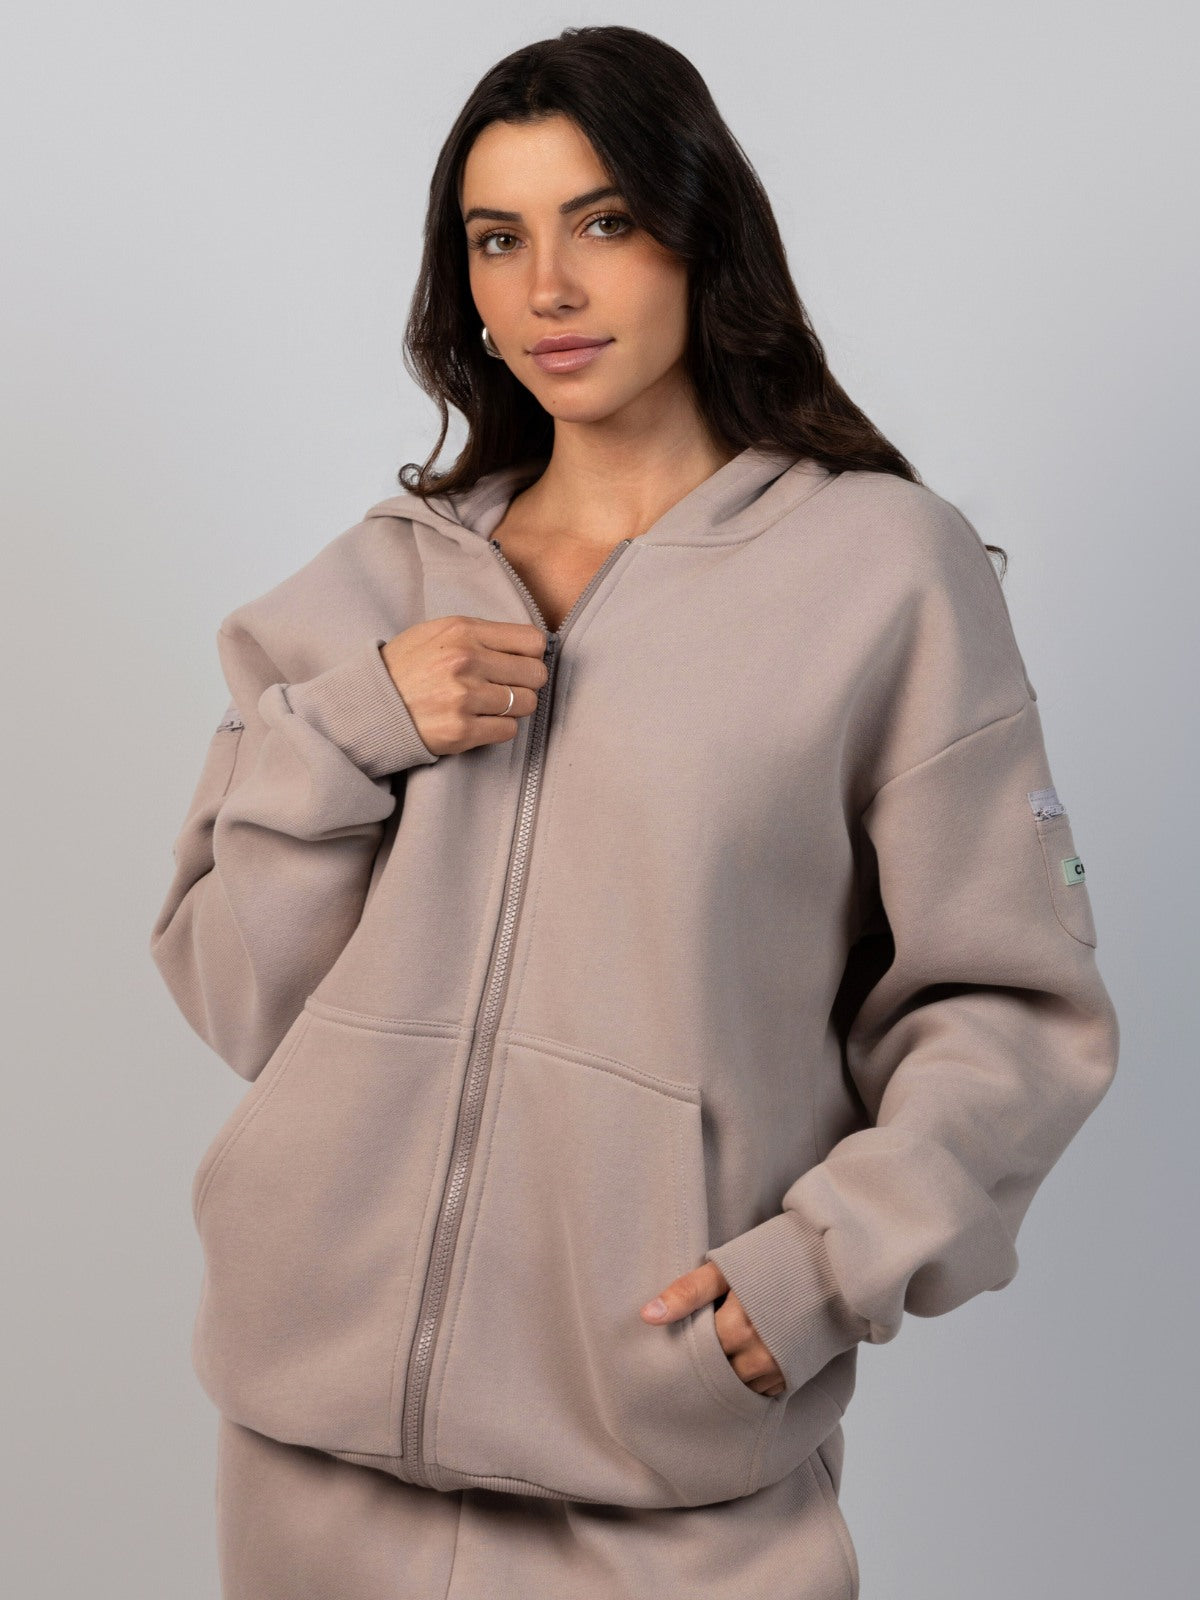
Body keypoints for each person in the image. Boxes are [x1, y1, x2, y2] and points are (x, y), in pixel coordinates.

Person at [148, 24, 1120, 1600]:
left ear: (699, 233)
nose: (549, 287)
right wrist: (354, 725)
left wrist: (825, 1268)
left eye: (601, 222)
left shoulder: (877, 571)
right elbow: (239, 990)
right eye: (498, 238)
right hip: (309, 1461)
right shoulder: (376, 586)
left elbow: (1011, 1005)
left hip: (664, 1457)